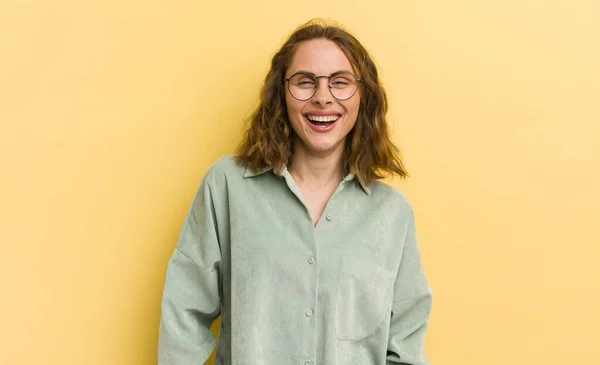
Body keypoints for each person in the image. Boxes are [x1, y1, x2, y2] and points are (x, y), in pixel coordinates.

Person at [158, 19, 433, 365]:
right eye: (305, 82)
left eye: (340, 82)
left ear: (364, 96)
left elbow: (406, 344)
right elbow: (183, 315)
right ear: (281, 94)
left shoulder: (393, 215)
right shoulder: (227, 186)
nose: (322, 97)